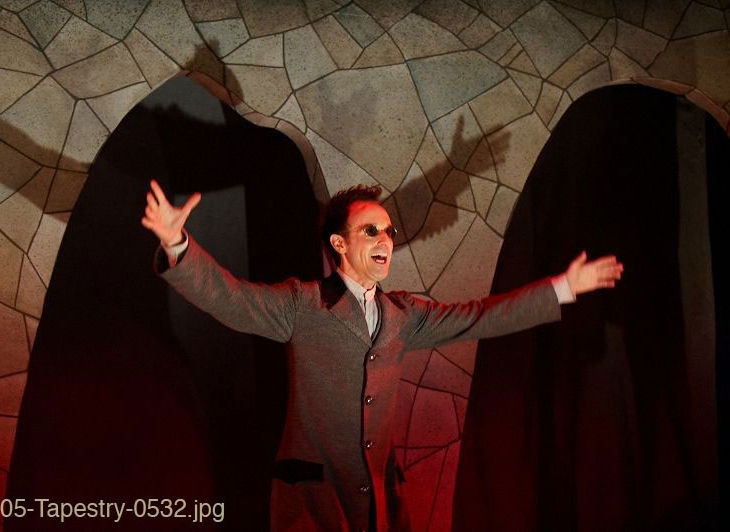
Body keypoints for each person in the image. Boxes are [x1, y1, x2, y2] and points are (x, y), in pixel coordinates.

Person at [142, 180, 623, 531]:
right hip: (315, 504)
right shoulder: (303, 304)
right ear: (339, 244)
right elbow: (231, 298)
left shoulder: (403, 315)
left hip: (379, 505)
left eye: (389, 231)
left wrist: (561, 288)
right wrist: (178, 244)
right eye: (370, 230)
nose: (385, 240)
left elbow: (480, 317)